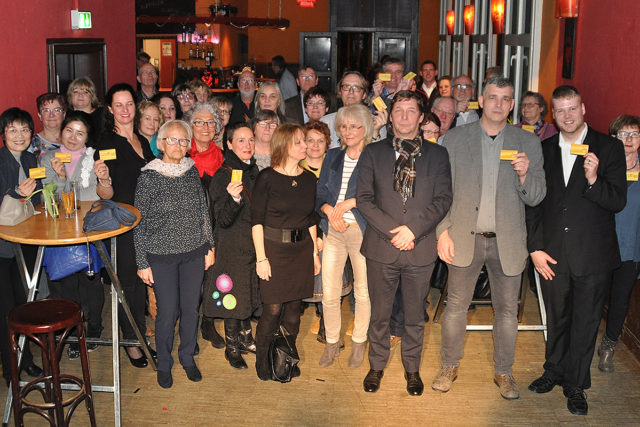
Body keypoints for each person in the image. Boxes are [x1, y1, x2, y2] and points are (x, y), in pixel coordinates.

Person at [431, 77, 546, 400]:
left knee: (508, 311)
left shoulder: (528, 143)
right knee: (455, 306)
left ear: (512, 105)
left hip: (507, 241)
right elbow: (442, 192)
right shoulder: (454, 139)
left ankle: (504, 371)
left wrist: (524, 175)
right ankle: (448, 366)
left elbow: (537, 197)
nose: (498, 103)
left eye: (506, 98)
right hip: (463, 236)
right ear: (481, 100)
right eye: (493, 97)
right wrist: (442, 232)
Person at [526, 85, 626, 416]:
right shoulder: (543, 149)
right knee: (556, 318)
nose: (567, 116)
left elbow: (617, 201)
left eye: (573, 108)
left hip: (593, 254)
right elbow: (536, 204)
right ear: (553, 113)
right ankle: (553, 370)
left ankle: (576, 383)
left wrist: (594, 179)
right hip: (552, 252)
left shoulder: (609, 147)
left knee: (585, 323)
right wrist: (535, 247)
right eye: (561, 110)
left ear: (583, 109)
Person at [357, 90, 452, 396]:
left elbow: (442, 200)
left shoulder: (438, 155)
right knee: (380, 313)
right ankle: (376, 366)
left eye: (411, 111)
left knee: (414, 315)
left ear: (421, 116)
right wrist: (395, 231)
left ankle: (412, 370)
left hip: (420, 247)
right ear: (391, 116)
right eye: (399, 111)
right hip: (381, 248)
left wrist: (412, 231)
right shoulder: (373, 153)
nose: (405, 117)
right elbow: (364, 200)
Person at [134, 119, 215, 388]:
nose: (178, 145)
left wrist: (209, 245)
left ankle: (188, 357)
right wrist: (142, 261)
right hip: (161, 255)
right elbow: (139, 222)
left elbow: (203, 211)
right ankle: (164, 363)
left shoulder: (192, 171)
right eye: (172, 140)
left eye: (183, 140)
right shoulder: (148, 176)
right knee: (167, 311)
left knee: (191, 309)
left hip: (193, 251)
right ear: (161, 143)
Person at [251, 123, 321, 381]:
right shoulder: (266, 177)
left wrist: (314, 254)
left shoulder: (309, 178)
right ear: (284, 146)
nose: (306, 146)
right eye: (300, 142)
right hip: (273, 251)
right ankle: (262, 359)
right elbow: (256, 220)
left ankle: (285, 355)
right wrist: (261, 258)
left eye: (306, 142)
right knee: (271, 310)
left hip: (301, 250)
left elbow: (310, 218)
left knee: (294, 310)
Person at [95, 83, 156, 368]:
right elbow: (105, 194)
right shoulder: (106, 144)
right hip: (123, 225)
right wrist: (104, 180)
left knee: (141, 286)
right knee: (127, 286)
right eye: (118, 105)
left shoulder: (141, 141)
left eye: (129, 103)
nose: (124, 110)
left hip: (147, 222)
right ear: (110, 109)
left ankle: (140, 337)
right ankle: (132, 344)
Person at [42, 111, 104, 359]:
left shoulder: (92, 159)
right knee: (63, 286)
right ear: (61, 131)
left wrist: (64, 185)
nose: (73, 137)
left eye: (80, 133)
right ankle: (70, 333)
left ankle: (95, 328)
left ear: (87, 137)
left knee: (90, 284)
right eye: (69, 130)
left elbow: (91, 196)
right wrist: (59, 179)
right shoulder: (47, 158)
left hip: (87, 230)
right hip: (57, 232)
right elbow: (50, 198)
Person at [316, 105, 372, 369]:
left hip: (361, 231)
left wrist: (351, 203)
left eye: (354, 126)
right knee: (329, 291)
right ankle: (331, 341)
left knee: (362, 291)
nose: (348, 131)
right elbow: (319, 195)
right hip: (333, 232)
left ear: (366, 128)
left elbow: (381, 194)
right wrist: (328, 210)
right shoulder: (332, 157)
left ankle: (359, 341)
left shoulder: (375, 156)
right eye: (344, 126)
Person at [203, 123, 260, 370]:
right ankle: (232, 347)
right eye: (240, 141)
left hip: (252, 245)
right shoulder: (222, 176)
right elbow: (222, 220)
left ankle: (246, 338)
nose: (247, 146)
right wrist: (234, 199)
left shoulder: (255, 171)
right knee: (231, 295)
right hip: (230, 246)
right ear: (229, 144)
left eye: (250, 140)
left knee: (247, 291)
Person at [0, 107, 44, 386]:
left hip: (26, 242)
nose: (20, 135)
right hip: (2, 249)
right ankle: (11, 368)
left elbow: (37, 200)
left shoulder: (31, 158)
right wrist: (15, 194)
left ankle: (25, 359)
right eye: (12, 129)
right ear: (3, 134)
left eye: (25, 129)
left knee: (24, 305)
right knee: (6, 309)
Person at [597, 115, 640, 373]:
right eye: (623, 134)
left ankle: (608, 347)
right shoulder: (602, 168)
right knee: (593, 297)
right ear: (613, 138)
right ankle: (581, 342)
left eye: (634, 134)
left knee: (621, 300)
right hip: (601, 245)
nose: (629, 140)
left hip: (632, 247)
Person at [321, 71, 387, 148]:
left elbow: (379, 156)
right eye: (346, 86)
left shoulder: (376, 122)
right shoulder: (326, 122)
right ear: (340, 92)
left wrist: (375, 132)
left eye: (356, 87)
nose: (351, 91)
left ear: (364, 95)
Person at [185, 102, 224, 190]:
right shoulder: (182, 155)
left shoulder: (224, 157)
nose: (206, 127)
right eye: (199, 122)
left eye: (210, 122)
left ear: (216, 127)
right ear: (191, 126)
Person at [30, 92, 67, 163]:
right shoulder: (31, 144)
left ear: (64, 114)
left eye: (56, 110)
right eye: (46, 111)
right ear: (40, 116)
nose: (51, 115)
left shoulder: (73, 141)